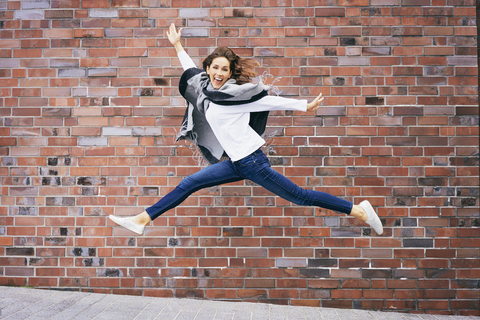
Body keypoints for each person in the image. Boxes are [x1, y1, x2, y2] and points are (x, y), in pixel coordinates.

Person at [109, 24, 383, 236]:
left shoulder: (236, 95)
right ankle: (141, 220)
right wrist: (178, 44)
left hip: (253, 162)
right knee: (188, 184)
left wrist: (304, 106)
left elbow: (266, 100)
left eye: (224, 69)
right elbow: (190, 71)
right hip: (236, 163)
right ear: (208, 69)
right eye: (215, 67)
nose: (219, 72)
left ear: (229, 74)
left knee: (300, 197)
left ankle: (359, 211)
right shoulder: (204, 91)